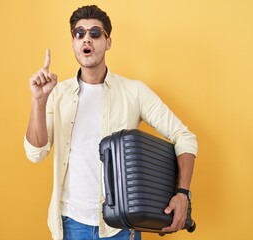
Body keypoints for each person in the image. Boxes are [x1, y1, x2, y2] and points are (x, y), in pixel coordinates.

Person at [24, 5, 198, 240]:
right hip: (71, 225)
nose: (87, 38)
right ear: (73, 42)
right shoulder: (57, 94)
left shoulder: (134, 92)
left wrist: (182, 193)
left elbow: (184, 137)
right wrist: (38, 101)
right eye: (79, 33)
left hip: (121, 228)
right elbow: (36, 153)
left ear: (108, 42)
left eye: (95, 33)